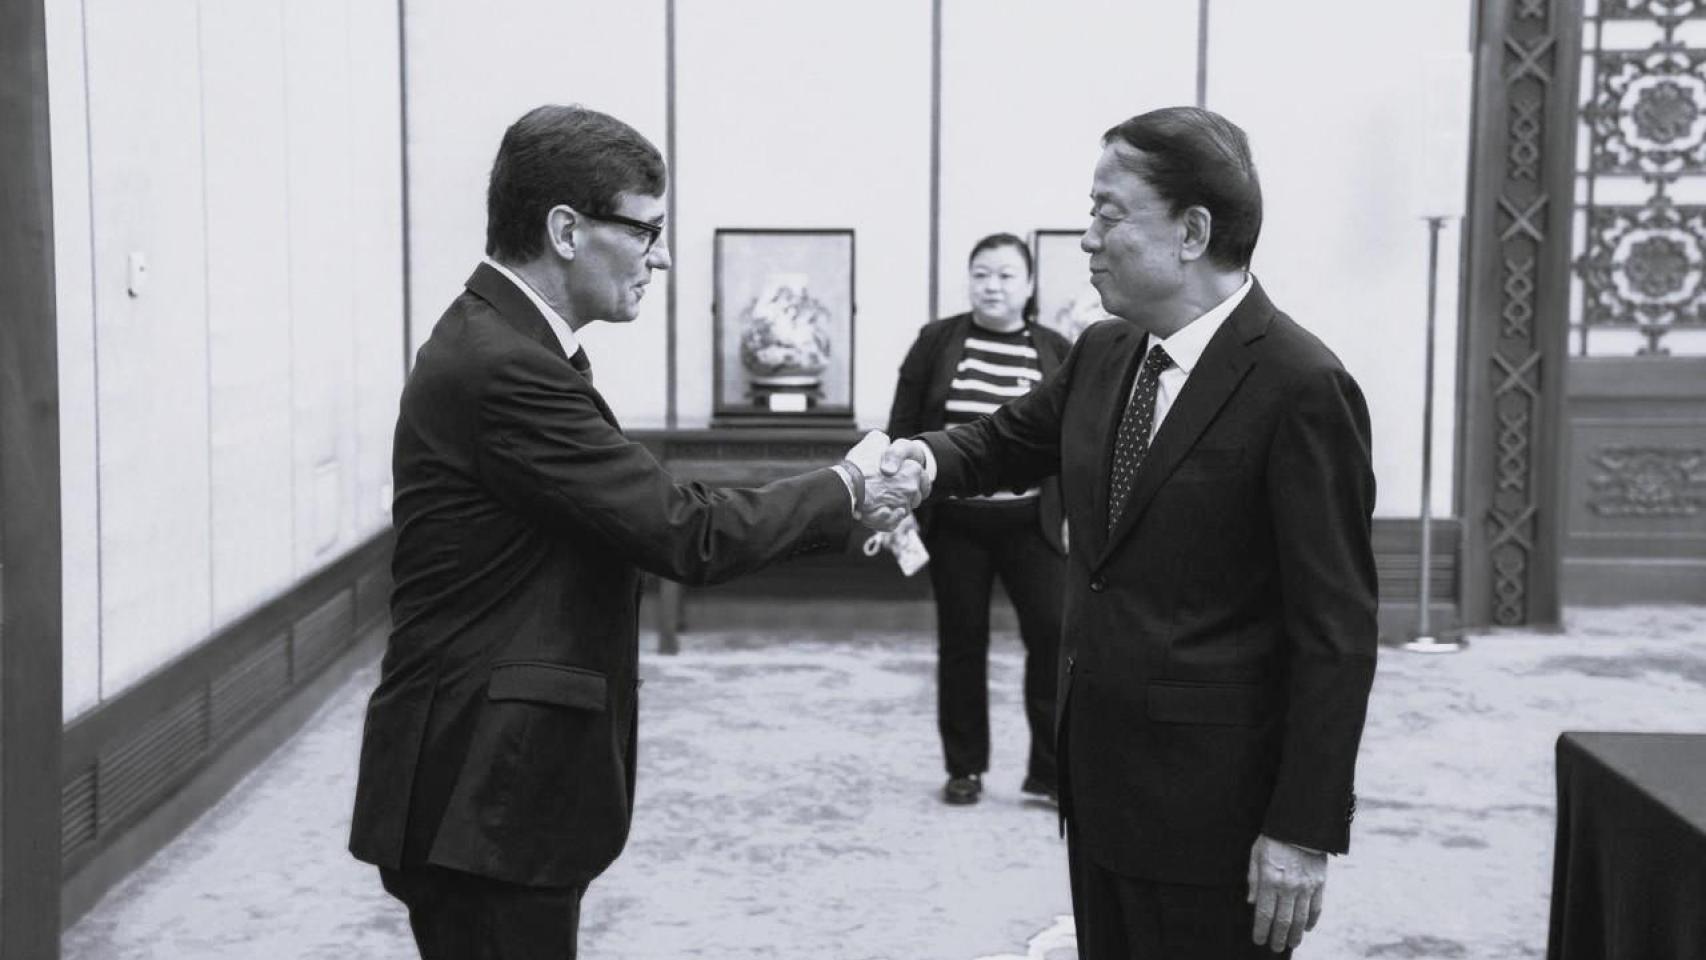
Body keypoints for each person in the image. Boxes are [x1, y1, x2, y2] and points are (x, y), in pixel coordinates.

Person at [347, 104, 922, 960]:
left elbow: (644, 511)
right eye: (647, 230)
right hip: (481, 789)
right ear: (567, 231)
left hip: (488, 779)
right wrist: (849, 484)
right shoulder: (504, 365)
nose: (661, 256)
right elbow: (685, 531)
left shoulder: (506, 343)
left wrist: (839, 503)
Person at [879, 107, 1378, 957]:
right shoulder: (1107, 352)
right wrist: (917, 461)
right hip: (1099, 785)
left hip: (1216, 809)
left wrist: (1304, 827)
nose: (1087, 239)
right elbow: (1001, 442)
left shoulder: (1301, 385)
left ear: (1192, 232)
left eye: (1108, 214)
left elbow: (1336, 632)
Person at [885, 233, 1070, 807]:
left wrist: (1076, 515)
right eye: (981, 274)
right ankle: (964, 767)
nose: (992, 286)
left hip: (1032, 521)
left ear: (1030, 284)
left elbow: (1073, 441)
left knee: (1052, 637)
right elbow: (904, 425)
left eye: (1006, 275)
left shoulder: (1056, 350)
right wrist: (898, 507)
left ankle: (1049, 770)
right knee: (962, 643)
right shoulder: (937, 342)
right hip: (956, 521)